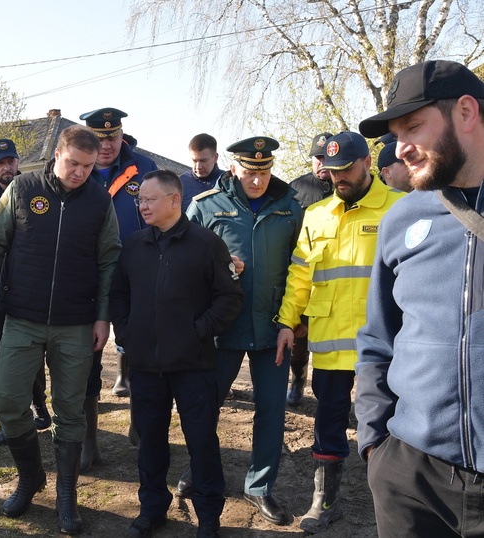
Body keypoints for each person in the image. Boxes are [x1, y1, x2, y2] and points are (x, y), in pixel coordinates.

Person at [355, 60, 484, 537]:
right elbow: (376, 340)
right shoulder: (402, 219)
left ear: (466, 112)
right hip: (411, 482)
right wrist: (377, 448)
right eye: (394, 133)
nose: (400, 147)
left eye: (413, 127)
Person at [0, 124, 121, 535]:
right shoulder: (23, 189)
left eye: (88, 166)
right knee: (7, 402)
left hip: (75, 324)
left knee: (70, 410)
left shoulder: (100, 200)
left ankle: (66, 496)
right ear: (56, 155)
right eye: (73, 163)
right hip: (21, 317)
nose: (80, 172)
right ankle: (30, 477)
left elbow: (109, 259)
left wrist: (103, 316)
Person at [274, 131, 404, 533]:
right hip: (329, 344)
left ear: (367, 162)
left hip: (383, 347)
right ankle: (324, 500)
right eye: (332, 171)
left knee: (385, 424)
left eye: (346, 169)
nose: (338, 178)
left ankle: (395, 501)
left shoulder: (400, 209)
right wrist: (285, 322)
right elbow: (299, 276)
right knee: (327, 422)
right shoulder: (316, 216)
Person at [110, 170, 242, 538]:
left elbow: (230, 298)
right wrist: (128, 333)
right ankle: (152, 509)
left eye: (149, 199)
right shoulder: (134, 246)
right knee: (150, 441)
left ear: (173, 200)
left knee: (201, 442)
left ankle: (209, 516)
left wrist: (197, 331)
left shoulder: (206, 244)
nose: (142, 205)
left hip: (193, 366)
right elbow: (118, 295)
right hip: (146, 366)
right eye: (140, 200)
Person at [184, 136, 303, 525]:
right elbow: (182, 260)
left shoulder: (289, 206)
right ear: (233, 168)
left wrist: (293, 321)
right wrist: (219, 269)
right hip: (222, 326)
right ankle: (198, 470)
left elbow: (302, 267)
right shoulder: (205, 206)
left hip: (272, 327)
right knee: (207, 405)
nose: (257, 180)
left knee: (270, 411)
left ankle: (260, 486)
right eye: (250, 172)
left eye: (264, 171)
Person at [78, 107, 157, 471]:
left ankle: (139, 425)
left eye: (112, 136)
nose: (106, 145)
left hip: (134, 276)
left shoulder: (143, 167)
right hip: (85, 278)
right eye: (98, 137)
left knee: (139, 350)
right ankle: (89, 440)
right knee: (85, 358)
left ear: (122, 134)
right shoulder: (75, 167)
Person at [0, 138, 51, 446]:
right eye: (1, 162)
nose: (7, 166)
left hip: (28, 287)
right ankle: (6, 419)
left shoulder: (33, 190)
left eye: (11, 160)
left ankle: (39, 405)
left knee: (33, 350)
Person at [285, 131, 334, 406]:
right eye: (318, 157)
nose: (322, 163)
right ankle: (297, 381)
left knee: (330, 340)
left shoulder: (345, 186)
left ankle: (327, 389)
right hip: (303, 273)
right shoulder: (296, 188)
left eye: (327, 157)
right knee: (299, 338)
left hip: (336, 276)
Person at [179, 133, 224, 211]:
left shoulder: (228, 183)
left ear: (215, 158)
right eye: (194, 161)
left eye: (203, 161)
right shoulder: (181, 183)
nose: (198, 167)